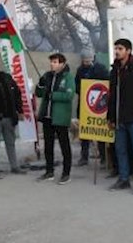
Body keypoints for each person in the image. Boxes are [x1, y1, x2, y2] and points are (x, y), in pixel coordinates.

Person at [106, 38, 133, 195]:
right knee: (120, 149)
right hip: (119, 118)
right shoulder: (114, 71)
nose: (117, 51)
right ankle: (124, 179)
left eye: (120, 48)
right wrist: (110, 117)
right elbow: (111, 96)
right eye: (115, 48)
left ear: (128, 51)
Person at [36, 53, 75, 184]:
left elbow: (69, 95)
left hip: (60, 117)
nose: (52, 64)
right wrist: (40, 85)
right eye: (51, 61)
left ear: (62, 63)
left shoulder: (67, 77)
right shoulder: (47, 76)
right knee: (48, 145)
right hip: (47, 116)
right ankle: (49, 171)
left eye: (55, 61)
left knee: (64, 145)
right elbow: (39, 93)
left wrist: (53, 95)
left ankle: (66, 173)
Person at [74, 51, 109, 166]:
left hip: (99, 105)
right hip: (85, 105)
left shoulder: (101, 69)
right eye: (85, 60)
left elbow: (106, 84)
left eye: (89, 59)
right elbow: (77, 87)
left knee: (100, 133)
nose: (87, 62)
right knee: (84, 132)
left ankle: (103, 157)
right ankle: (84, 157)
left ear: (93, 58)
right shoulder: (80, 70)